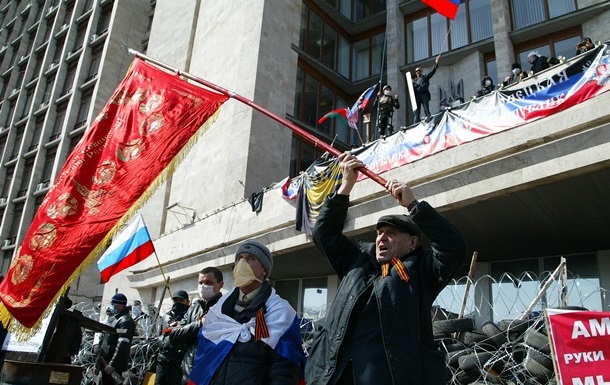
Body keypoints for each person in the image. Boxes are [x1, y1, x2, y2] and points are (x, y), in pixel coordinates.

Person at [304, 153, 468, 385]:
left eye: (391, 233)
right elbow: (324, 234)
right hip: (335, 376)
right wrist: (346, 185)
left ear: (413, 242)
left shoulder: (423, 270)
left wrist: (413, 205)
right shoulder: (357, 261)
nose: (382, 238)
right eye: (380, 232)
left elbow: (454, 247)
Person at [188, 240, 305, 385]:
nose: (243, 263)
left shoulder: (280, 313)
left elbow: (284, 370)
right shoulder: (219, 310)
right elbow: (204, 357)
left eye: (251, 258)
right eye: (240, 258)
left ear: (264, 271)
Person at [168, 267, 224, 385]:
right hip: (188, 374)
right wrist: (198, 324)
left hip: (212, 376)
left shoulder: (225, 309)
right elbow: (174, 336)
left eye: (209, 283)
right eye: (201, 283)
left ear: (220, 285)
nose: (204, 286)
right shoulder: (193, 310)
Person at [97, 293, 136, 385]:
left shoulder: (125, 321)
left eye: (113, 305)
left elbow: (122, 345)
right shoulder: (116, 319)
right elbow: (105, 341)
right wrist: (98, 363)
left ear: (120, 306)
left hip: (112, 366)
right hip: (105, 362)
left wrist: (112, 365)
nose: (112, 307)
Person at [155, 290, 191, 385]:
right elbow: (160, 334)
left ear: (187, 301)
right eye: (176, 301)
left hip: (178, 362)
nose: (178, 303)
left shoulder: (189, 316)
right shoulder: (166, 316)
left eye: (181, 300)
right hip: (162, 360)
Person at [412, 56, 440, 124]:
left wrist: (436, 61)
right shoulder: (413, 81)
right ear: (415, 72)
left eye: (419, 70)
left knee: (426, 108)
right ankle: (415, 122)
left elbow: (433, 71)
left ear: (421, 71)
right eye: (416, 71)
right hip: (417, 96)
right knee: (417, 111)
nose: (418, 72)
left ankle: (428, 118)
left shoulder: (425, 77)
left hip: (424, 94)